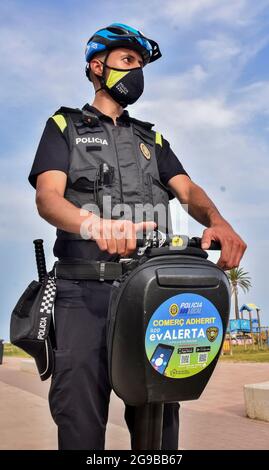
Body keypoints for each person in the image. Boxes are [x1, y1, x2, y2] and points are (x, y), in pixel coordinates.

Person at [28, 23, 247, 450]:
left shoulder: (153, 138)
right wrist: (96, 225)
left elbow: (189, 191)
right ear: (97, 66)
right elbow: (47, 198)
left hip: (151, 297)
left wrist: (217, 220)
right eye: (128, 61)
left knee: (159, 426)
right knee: (80, 422)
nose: (137, 71)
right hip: (83, 294)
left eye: (141, 64)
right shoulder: (63, 127)